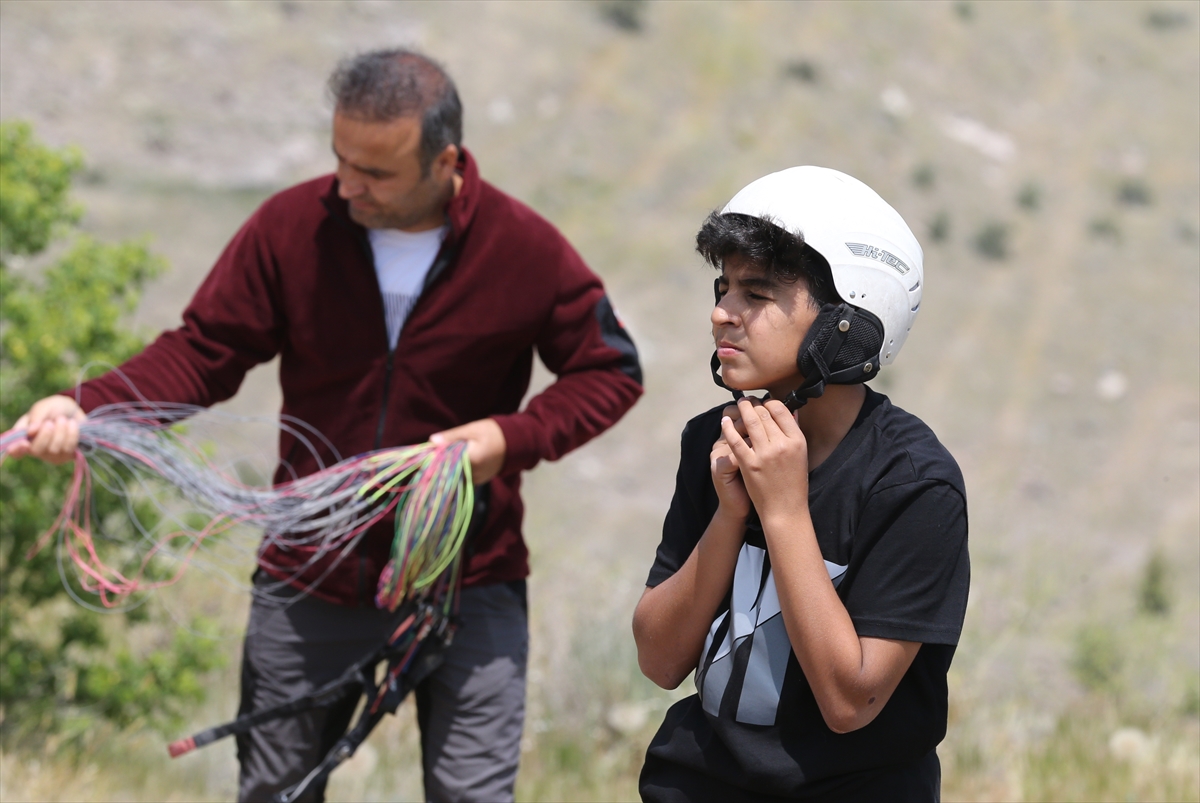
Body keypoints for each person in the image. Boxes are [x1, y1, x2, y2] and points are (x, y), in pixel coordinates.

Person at [10, 49, 643, 802]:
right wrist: (90, 407)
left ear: (446, 162)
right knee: (275, 789)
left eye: (375, 173)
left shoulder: (525, 248)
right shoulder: (290, 227)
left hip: (470, 579)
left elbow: (611, 370)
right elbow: (205, 351)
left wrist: (510, 440)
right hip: (309, 572)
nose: (348, 186)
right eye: (341, 159)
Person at [632, 166, 969, 802]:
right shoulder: (714, 439)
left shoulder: (916, 486)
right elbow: (659, 659)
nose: (721, 313)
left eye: (755, 295)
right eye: (723, 286)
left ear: (848, 320)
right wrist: (731, 514)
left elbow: (851, 700)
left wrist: (784, 513)